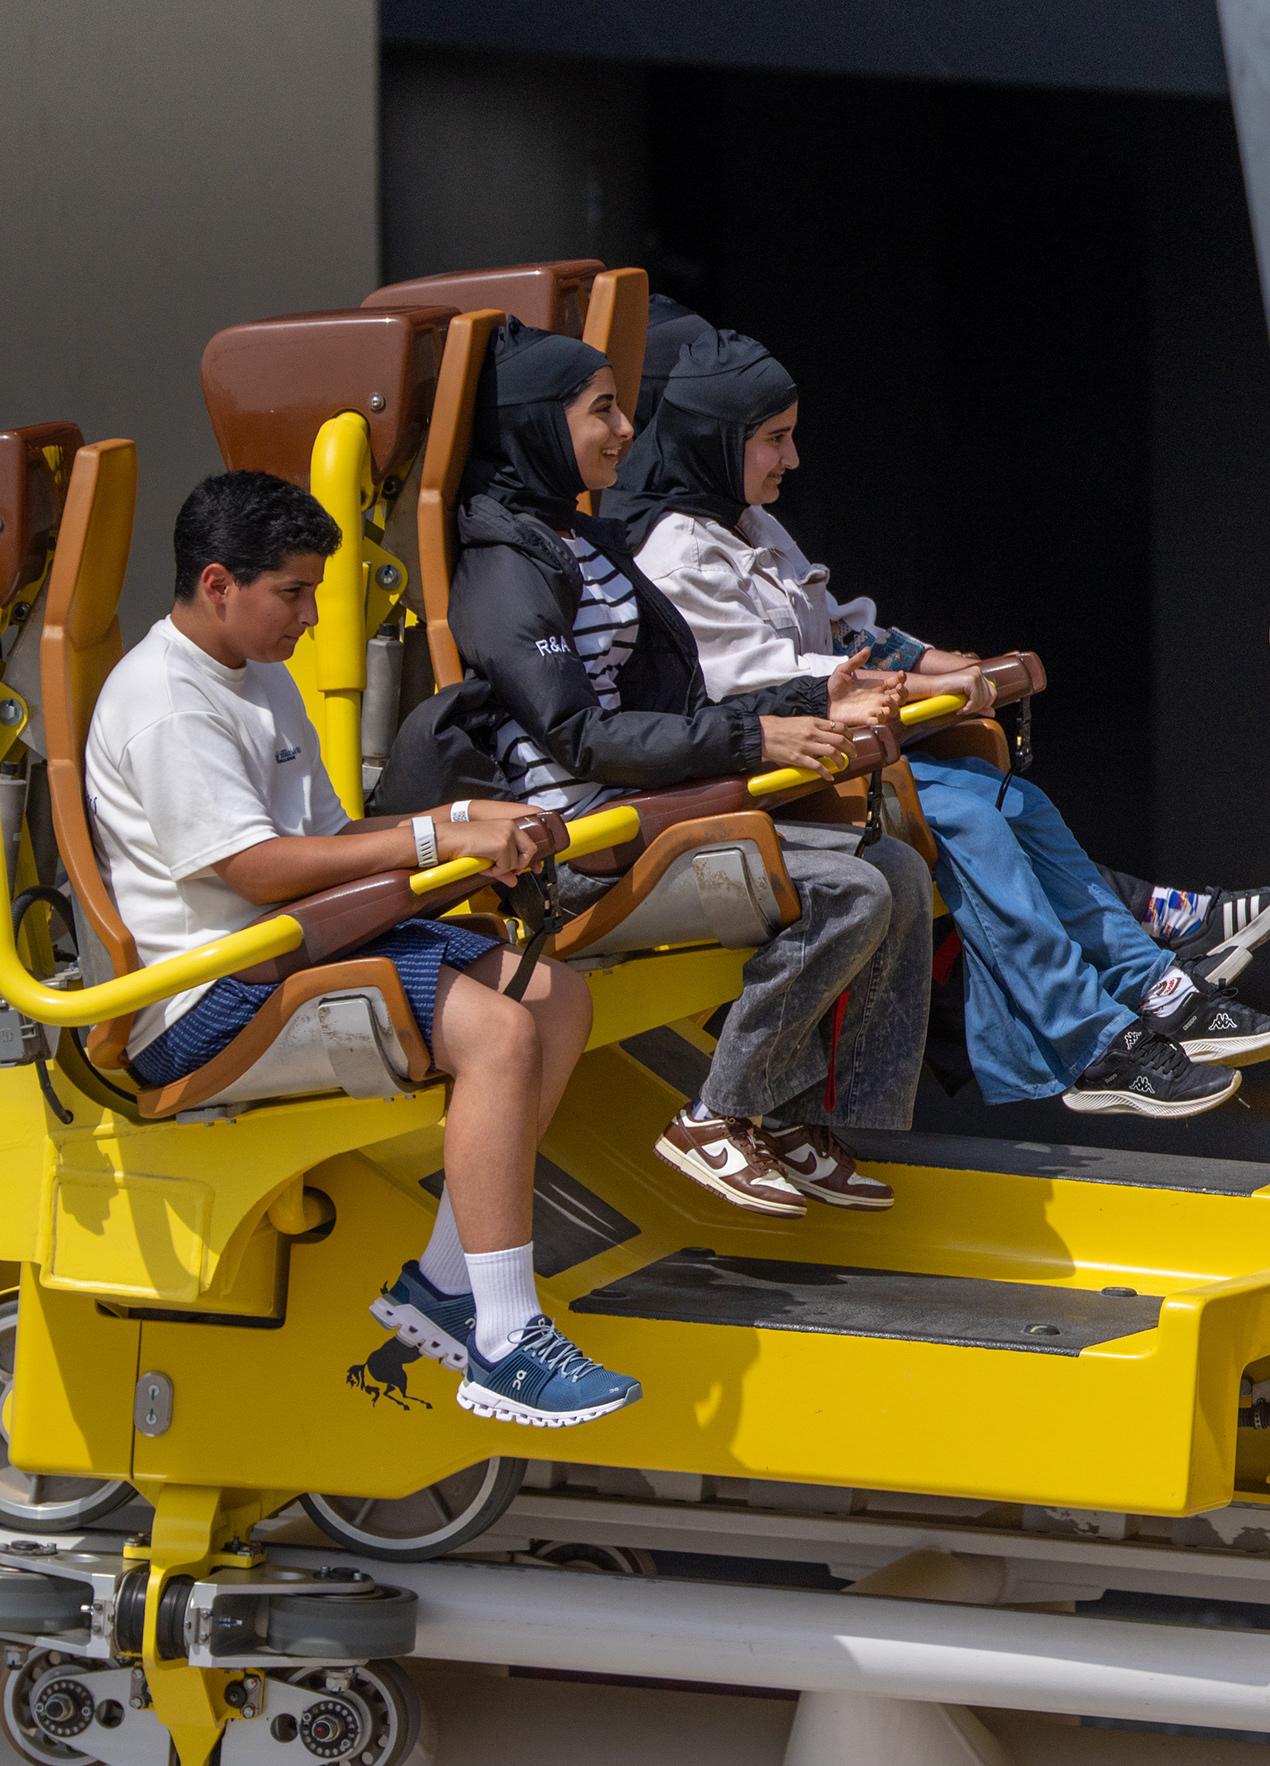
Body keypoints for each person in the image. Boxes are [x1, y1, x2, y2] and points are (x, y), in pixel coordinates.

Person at [614, 314, 1270, 1118]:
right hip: (768, 767)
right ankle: (1093, 1042)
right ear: (714, 440)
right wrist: (907, 687)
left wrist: (937, 661)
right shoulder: (677, 550)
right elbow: (772, 680)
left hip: (842, 749)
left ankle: (1157, 991)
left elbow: (842, 626)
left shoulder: (746, 523)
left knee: (1017, 801)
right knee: (969, 817)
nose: (792, 460)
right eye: (774, 439)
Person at [96, 472, 639, 1426]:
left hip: (290, 948)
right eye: (293, 594)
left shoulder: (257, 673)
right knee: (499, 1037)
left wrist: (469, 822)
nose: (310, 617)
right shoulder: (164, 698)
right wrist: (440, 839)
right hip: (206, 994)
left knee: (555, 998)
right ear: (219, 584)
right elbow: (259, 871)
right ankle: (505, 1339)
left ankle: (444, 1280)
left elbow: (332, 838)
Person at [376, 323, 934, 1217]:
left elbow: (676, 706)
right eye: (601, 411)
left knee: (898, 865)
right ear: (536, 425)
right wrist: (763, 738)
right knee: (848, 892)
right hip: (584, 849)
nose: (627, 430)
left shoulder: (583, 541)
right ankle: (718, 1116)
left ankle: (793, 1114)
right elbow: (582, 736)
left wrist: (809, 702)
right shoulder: (504, 565)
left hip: (648, 811)